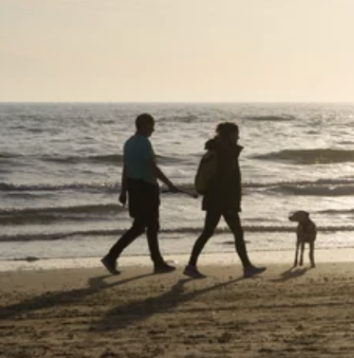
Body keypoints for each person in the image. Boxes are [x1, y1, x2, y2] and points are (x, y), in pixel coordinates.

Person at [184, 122, 266, 279]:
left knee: (208, 232)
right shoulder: (224, 153)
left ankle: (191, 265)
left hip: (215, 199)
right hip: (223, 200)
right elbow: (226, 180)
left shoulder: (217, 150)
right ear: (229, 135)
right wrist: (231, 202)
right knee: (236, 232)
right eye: (236, 134)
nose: (238, 137)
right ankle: (247, 267)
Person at [101, 113, 179, 275]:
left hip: (134, 188)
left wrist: (124, 191)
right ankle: (114, 256)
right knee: (148, 226)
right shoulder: (144, 143)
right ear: (144, 125)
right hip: (147, 188)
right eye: (151, 126)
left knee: (142, 226)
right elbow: (152, 167)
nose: (153, 129)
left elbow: (126, 169)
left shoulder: (128, 143)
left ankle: (115, 257)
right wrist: (169, 183)